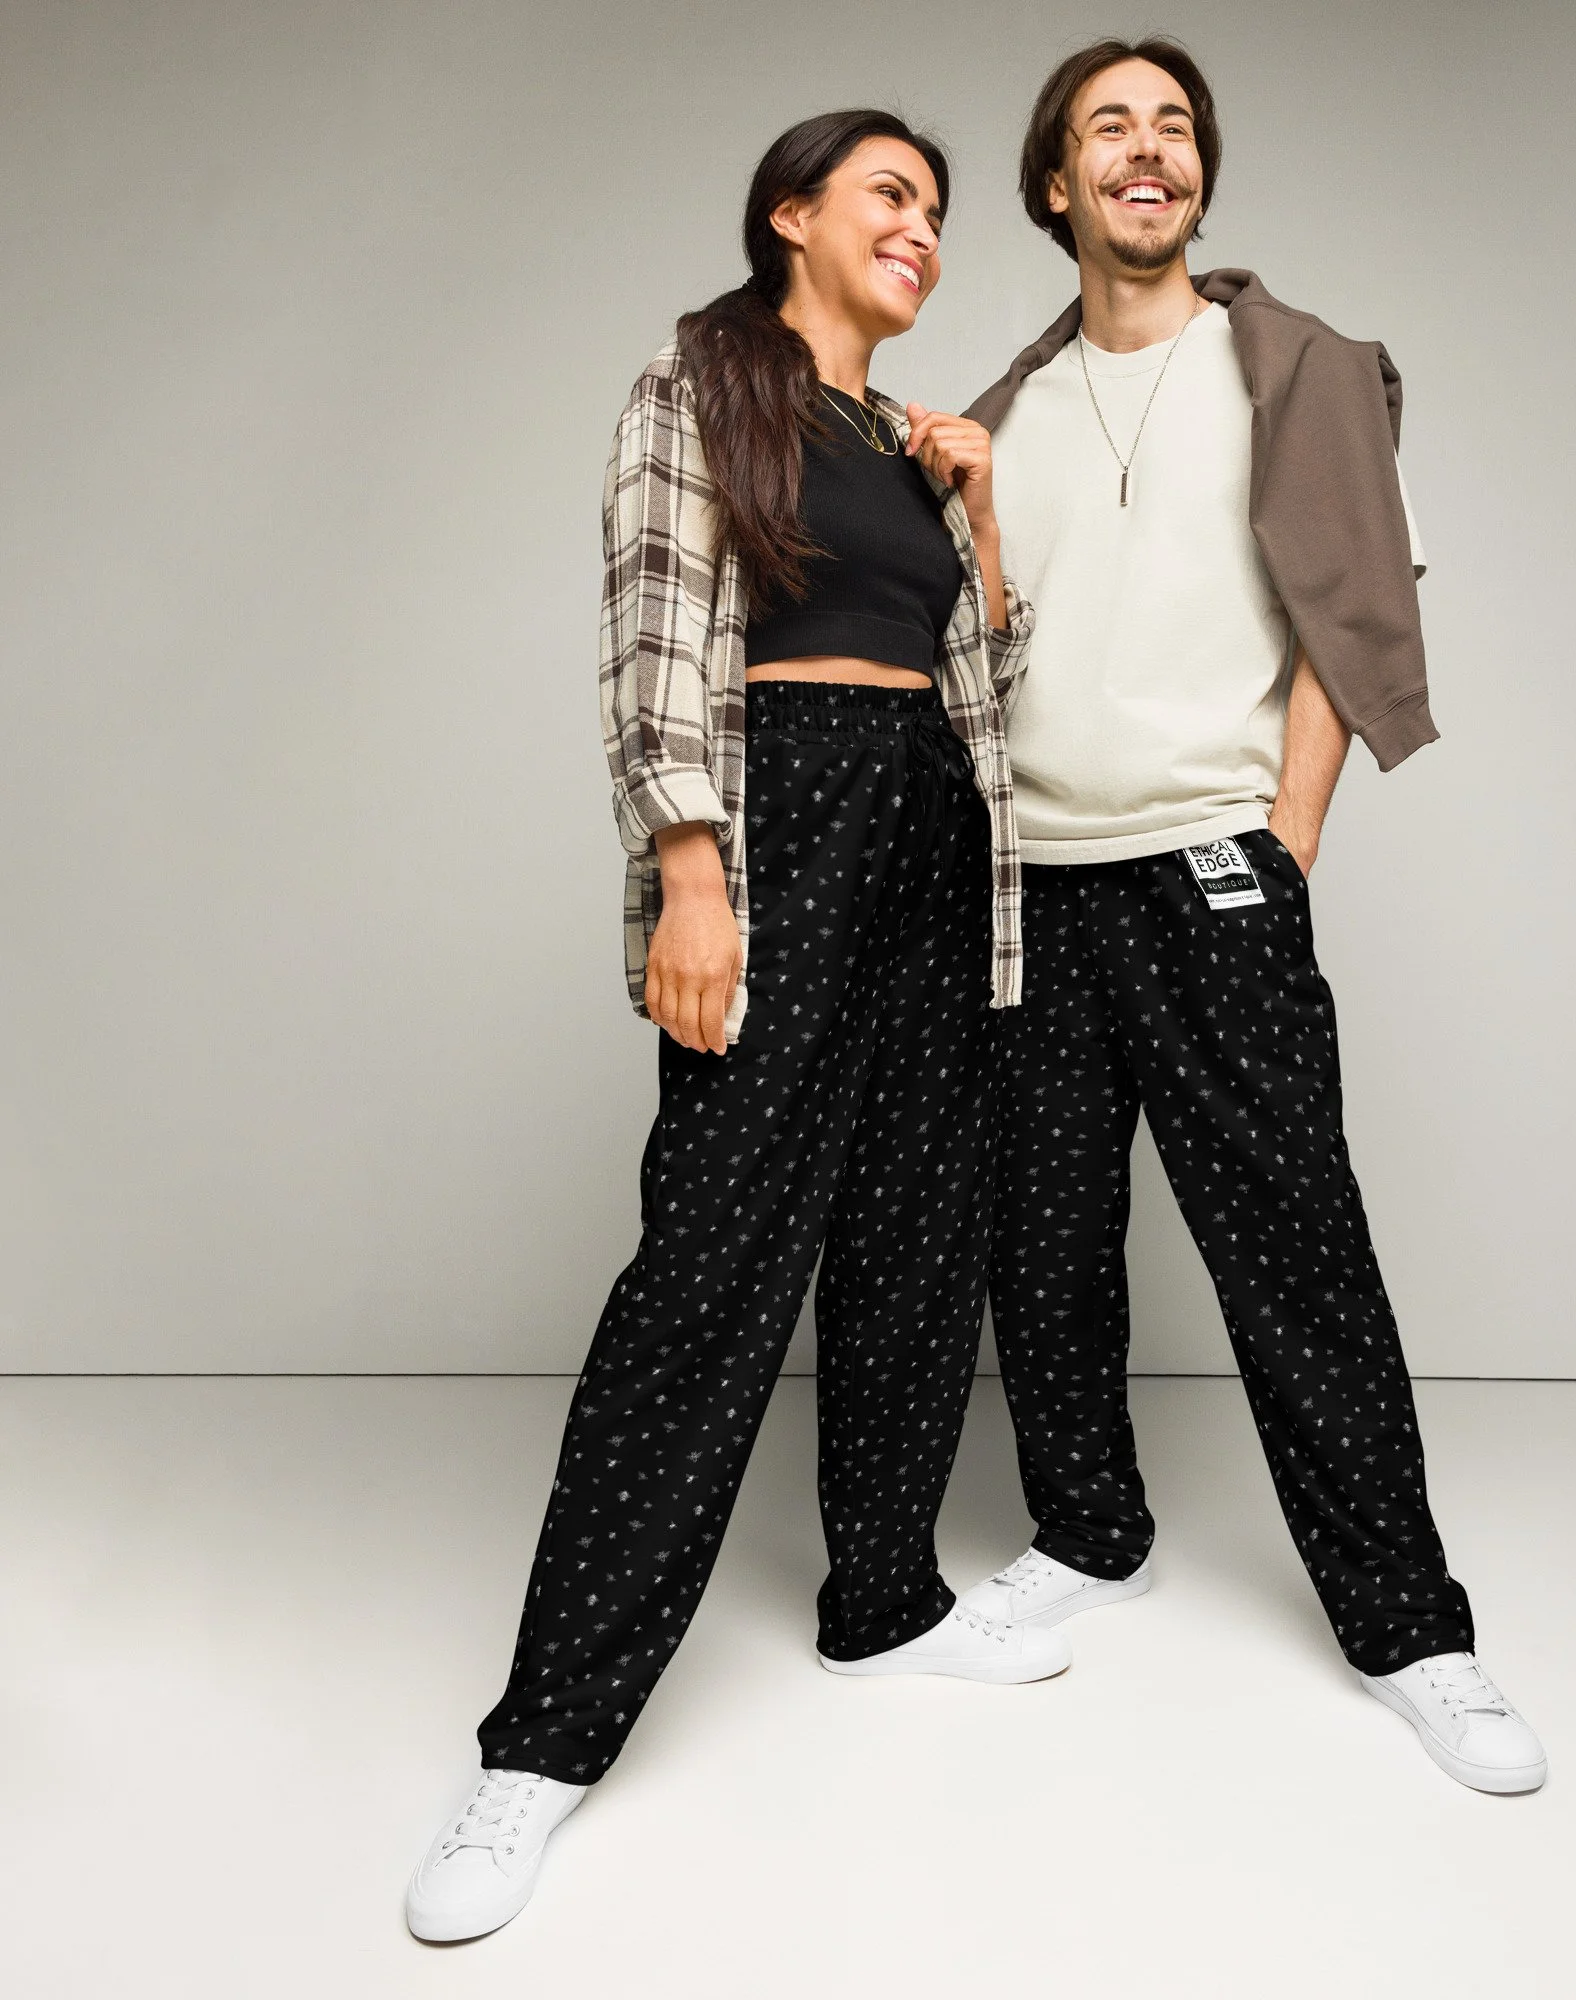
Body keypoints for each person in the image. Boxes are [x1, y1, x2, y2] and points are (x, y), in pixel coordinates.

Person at [407, 108, 1050, 1944]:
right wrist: (694, 867)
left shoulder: (913, 455)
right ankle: (541, 1743)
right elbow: (653, 628)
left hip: (932, 824)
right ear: (793, 216)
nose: (923, 229)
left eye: (935, 210)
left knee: (920, 1240)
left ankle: (884, 1603)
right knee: (709, 1266)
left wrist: (983, 512)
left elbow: (995, 691)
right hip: (785, 806)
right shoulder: (701, 388)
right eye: (889, 197)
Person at [954, 39, 1548, 1796]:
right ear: (1055, 184)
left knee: (1295, 1250)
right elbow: (980, 653)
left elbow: (1343, 619)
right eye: (1108, 130)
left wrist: (1282, 839)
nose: (1150, 152)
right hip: (1035, 888)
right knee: (1043, 1247)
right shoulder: (1006, 414)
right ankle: (1087, 1537)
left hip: (1212, 863)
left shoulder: (1297, 371)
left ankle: (1411, 1630)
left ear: (1197, 173)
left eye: (1175, 127)